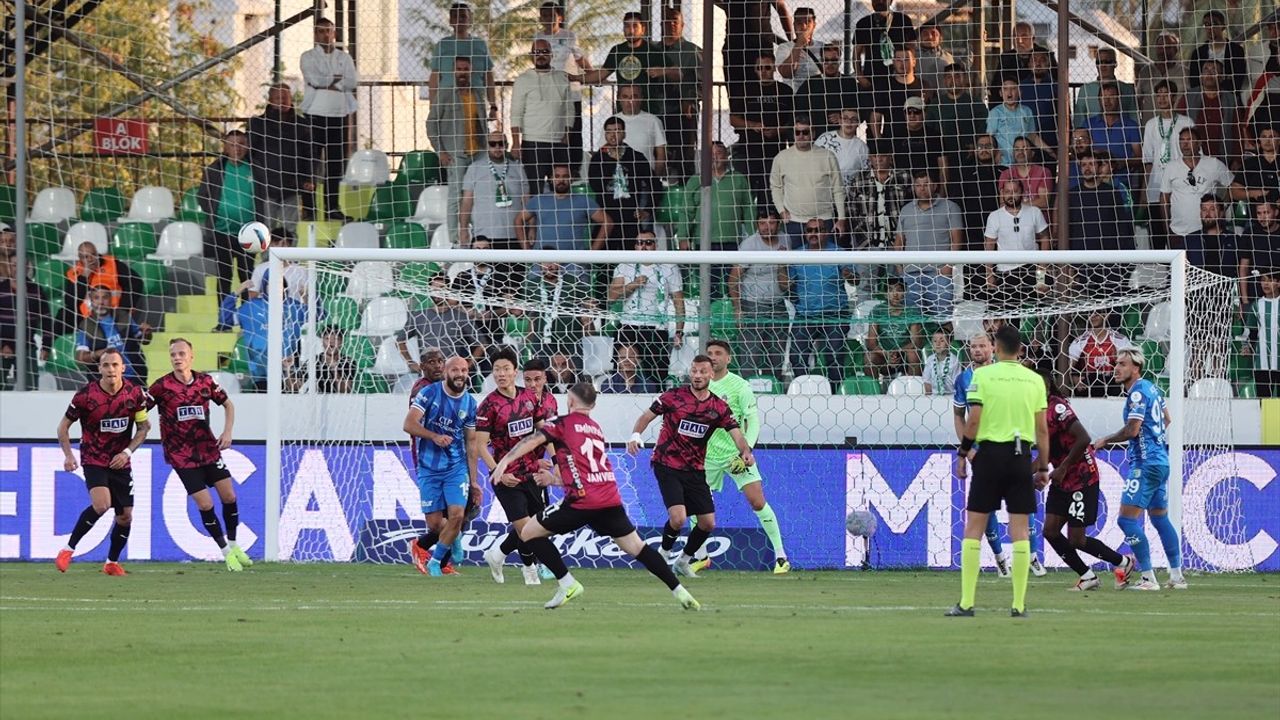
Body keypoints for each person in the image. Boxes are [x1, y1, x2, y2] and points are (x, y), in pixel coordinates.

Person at [492, 382, 701, 610]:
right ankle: (680, 591)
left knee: (529, 532)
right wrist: (553, 480)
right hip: (609, 498)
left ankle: (567, 584)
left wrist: (504, 462)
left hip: (582, 499)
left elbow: (531, 440)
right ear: (592, 405)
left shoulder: (562, 423)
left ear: (570, 401)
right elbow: (582, 468)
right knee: (637, 547)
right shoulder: (595, 428)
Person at [947, 325, 1049, 617]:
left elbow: (974, 420)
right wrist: (1042, 466)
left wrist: (964, 454)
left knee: (973, 529)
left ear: (995, 348)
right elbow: (1042, 429)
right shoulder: (1034, 380)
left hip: (989, 456)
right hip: (1020, 457)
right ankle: (1018, 605)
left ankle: (966, 603)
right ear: (1020, 350)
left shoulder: (981, 376)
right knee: (1020, 532)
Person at [627, 355, 754, 577]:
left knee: (707, 523)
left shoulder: (718, 407)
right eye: (694, 371)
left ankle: (683, 561)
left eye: (702, 371)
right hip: (667, 463)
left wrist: (745, 451)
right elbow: (646, 416)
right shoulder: (673, 396)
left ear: (711, 375)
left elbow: (736, 433)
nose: (697, 375)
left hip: (695, 469)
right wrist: (636, 435)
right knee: (678, 518)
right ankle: (662, 556)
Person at [147, 338, 251, 571]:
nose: (177, 358)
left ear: (191, 356)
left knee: (230, 497)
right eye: (173, 354)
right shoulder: (161, 387)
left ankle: (234, 545)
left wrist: (227, 432)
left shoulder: (205, 382)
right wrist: (142, 427)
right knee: (205, 505)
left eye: (181, 353)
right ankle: (225, 552)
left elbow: (228, 405)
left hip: (208, 450)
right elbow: (140, 409)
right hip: (181, 456)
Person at [1092, 348, 1185, 591]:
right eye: (1117, 363)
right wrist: (1154, 438)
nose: (1117, 368)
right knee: (1160, 518)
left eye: (1123, 364)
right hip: (1160, 461)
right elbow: (1167, 418)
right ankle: (1176, 576)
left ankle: (1148, 578)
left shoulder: (1136, 394)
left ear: (1136, 368)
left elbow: (1132, 430)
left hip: (1145, 464)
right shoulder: (1152, 388)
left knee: (1126, 520)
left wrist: (1105, 440)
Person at [54, 348, 152, 575]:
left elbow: (144, 427)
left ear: (123, 368)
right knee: (101, 504)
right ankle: (68, 550)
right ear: (99, 369)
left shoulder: (135, 394)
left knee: (125, 516)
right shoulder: (85, 396)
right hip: (94, 458)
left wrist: (127, 452)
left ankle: (111, 563)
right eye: (106, 365)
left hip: (121, 461)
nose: (110, 369)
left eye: (115, 365)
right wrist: (68, 455)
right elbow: (63, 427)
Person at [1034, 366, 1133, 591]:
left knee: (1076, 539)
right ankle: (1088, 576)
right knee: (1050, 530)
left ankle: (1123, 562)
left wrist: (1062, 468)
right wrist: (1032, 472)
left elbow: (1083, 439)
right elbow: (1047, 450)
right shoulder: (1035, 411)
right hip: (1062, 478)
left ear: (1047, 385)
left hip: (1081, 477)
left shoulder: (1057, 407)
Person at [695, 339, 788, 573]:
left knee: (757, 501)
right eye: (710, 353)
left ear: (728, 358)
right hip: (706, 456)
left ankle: (780, 557)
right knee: (697, 504)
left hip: (736, 454)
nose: (713, 357)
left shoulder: (740, 386)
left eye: (718, 353)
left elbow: (753, 420)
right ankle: (701, 556)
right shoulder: (697, 387)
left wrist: (747, 450)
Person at [477, 348, 556, 585]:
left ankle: (498, 553)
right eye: (496, 370)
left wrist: (557, 462)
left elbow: (546, 433)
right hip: (507, 478)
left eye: (505, 369)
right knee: (526, 530)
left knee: (538, 526)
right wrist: (497, 474)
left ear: (515, 372)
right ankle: (538, 572)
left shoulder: (529, 398)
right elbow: (480, 446)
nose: (501, 374)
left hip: (532, 473)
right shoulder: (488, 406)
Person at [402, 356, 480, 577]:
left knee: (457, 514)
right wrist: (434, 436)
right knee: (436, 524)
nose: (460, 374)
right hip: (428, 466)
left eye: (464, 370)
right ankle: (452, 538)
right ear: (446, 372)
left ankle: (436, 562)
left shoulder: (470, 403)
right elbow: (408, 424)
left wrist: (474, 481)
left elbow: (471, 442)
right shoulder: (428, 393)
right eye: (455, 369)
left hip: (455, 467)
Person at [951, 332, 1016, 577]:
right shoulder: (964, 379)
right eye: (973, 346)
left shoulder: (1006, 374)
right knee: (984, 506)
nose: (977, 349)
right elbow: (959, 416)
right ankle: (1001, 560)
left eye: (982, 345)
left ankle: (1029, 558)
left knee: (1018, 504)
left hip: (1008, 446)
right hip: (980, 452)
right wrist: (966, 450)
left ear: (993, 347)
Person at [405, 347, 461, 575]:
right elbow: (415, 424)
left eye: (440, 361)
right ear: (422, 367)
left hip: (451, 458)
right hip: (428, 458)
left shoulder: (445, 388)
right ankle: (422, 546)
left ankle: (441, 560)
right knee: (439, 521)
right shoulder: (423, 389)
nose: (438, 365)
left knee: (458, 512)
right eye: (432, 362)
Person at [198, 130, 259, 331]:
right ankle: (224, 321)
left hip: (248, 233)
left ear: (247, 146)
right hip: (221, 232)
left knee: (246, 275)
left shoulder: (255, 168)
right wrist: (217, 213)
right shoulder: (214, 169)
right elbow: (203, 195)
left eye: (241, 144)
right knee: (223, 277)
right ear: (224, 147)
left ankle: (247, 320)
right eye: (232, 144)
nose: (237, 148)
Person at [607, 231, 684, 384]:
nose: (643, 247)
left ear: (656, 245)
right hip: (629, 326)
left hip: (657, 327)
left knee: (656, 376)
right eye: (639, 243)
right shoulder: (625, 265)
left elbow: (679, 302)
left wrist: (679, 331)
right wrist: (633, 284)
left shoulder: (669, 266)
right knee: (622, 374)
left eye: (648, 243)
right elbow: (611, 297)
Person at [427, 56, 490, 244]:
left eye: (466, 69)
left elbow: (482, 122)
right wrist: (441, 151)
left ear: (471, 71)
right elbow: (431, 124)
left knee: (479, 194)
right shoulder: (445, 93)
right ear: (453, 72)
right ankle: (456, 240)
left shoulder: (478, 93)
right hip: (456, 153)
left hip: (478, 151)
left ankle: (478, 237)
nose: (463, 72)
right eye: (459, 69)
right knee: (456, 196)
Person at [460, 131, 530, 296]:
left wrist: (531, 228)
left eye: (501, 143)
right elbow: (466, 201)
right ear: (487, 146)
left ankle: (512, 321)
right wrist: (463, 229)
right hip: (485, 238)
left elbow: (527, 201)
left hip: (514, 236)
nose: (497, 147)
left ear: (506, 145)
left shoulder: (518, 168)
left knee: (514, 288)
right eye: (493, 144)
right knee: (489, 289)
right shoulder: (474, 168)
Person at [299, 18, 356, 219]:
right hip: (315, 113)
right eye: (322, 31)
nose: (326, 35)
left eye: (329, 31)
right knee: (310, 164)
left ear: (334, 34)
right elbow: (314, 79)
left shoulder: (345, 57)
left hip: (339, 115)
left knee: (335, 164)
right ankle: (310, 209)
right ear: (316, 34)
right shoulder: (307, 56)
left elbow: (352, 82)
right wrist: (334, 79)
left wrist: (330, 83)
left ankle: (332, 208)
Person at [788, 221, 855, 387]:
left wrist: (848, 274)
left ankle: (833, 394)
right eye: (809, 230)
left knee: (834, 355)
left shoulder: (839, 252)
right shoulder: (797, 255)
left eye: (818, 230)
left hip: (835, 313)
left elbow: (856, 281)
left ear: (826, 232)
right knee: (796, 355)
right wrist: (781, 265)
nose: (813, 234)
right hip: (805, 315)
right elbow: (785, 285)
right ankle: (804, 391)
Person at [517, 165, 612, 276]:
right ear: (551, 179)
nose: (561, 180)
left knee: (578, 292)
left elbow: (608, 222)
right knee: (533, 291)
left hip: (574, 264)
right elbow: (518, 220)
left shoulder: (584, 201)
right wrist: (527, 251)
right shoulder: (538, 200)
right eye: (557, 176)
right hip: (542, 263)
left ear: (571, 179)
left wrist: (592, 252)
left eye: (565, 176)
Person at [729, 209, 790, 378]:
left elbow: (785, 281)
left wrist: (782, 263)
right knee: (751, 353)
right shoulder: (749, 245)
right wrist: (738, 309)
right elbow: (733, 278)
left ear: (778, 224)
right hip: (753, 305)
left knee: (777, 354)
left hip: (778, 304)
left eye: (771, 222)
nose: (766, 227)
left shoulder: (786, 240)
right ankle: (747, 393)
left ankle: (774, 390)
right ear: (757, 224)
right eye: (762, 223)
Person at [895, 170, 962, 319]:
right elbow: (899, 241)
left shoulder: (950, 207)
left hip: (938, 274)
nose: (922, 188)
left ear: (935, 186)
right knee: (913, 321)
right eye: (918, 185)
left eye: (926, 184)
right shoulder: (906, 210)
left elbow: (956, 240)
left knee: (942, 319)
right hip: (910, 275)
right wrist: (900, 269)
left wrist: (948, 267)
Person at [729, 53, 793, 207]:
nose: (763, 71)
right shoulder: (745, 90)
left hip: (775, 152)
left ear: (774, 69)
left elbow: (793, 122)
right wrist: (753, 125)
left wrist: (778, 130)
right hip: (748, 151)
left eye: (767, 67)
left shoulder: (785, 91)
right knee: (743, 197)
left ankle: (769, 227)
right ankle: (746, 230)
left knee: (771, 196)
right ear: (755, 70)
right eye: (760, 68)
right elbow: (733, 120)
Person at [510, 38, 575, 191]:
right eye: (536, 52)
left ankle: (559, 216)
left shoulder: (562, 78)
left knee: (561, 189)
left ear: (552, 55)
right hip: (533, 143)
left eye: (545, 52)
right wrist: (515, 142)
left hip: (559, 143)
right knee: (534, 189)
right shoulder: (522, 80)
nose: (541, 55)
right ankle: (535, 216)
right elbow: (516, 113)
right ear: (531, 55)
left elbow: (569, 109)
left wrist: (567, 134)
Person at [247, 82, 314, 229]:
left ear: (291, 99)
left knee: (290, 229)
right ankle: (266, 254)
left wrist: (309, 178)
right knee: (265, 229)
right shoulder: (257, 123)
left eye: (285, 97)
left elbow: (309, 155)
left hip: (292, 186)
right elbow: (249, 153)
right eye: (278, 98)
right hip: (265, 186)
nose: (282, 101)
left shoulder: (301, 124)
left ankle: (290, 253)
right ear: (270, 100)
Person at [584, 12, 677, 116]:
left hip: (649, 111)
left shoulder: (653, 51)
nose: (631, 30)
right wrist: (575, 78)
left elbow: (678, 74)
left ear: (643, 29)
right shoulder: (617, 50)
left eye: (635, 26)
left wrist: (663, 71)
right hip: (623, 112)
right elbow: (600, 75)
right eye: (627, 26)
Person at [770, 118, 845, 246]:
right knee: (795, 264)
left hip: (824, 219)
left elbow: (838, 189)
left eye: (805, 132)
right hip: (794, 222)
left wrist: (842, 218)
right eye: (797, 132)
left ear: (813, 133)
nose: (801, 136)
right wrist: (781, 210)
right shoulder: (781, 158)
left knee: (825, 263)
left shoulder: (828, 156)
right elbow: (775, 187)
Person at [587, 116, 656, 251]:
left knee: (633, 260)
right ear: (605, 134)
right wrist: (611, 162)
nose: (613, 134)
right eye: (609, 131)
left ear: (624, 133)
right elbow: (595, 186)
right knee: (604, 264)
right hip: (606, 218)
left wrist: (647, 210)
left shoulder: (636, 157)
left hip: (631, 217)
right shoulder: (597, 159)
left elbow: (654, 185)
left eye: (618, 130)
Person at [534, 2, 590, 166]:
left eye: (551, 15)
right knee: (551, 132)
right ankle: (553, 172)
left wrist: (595, 76)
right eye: (544, 15)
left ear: (560, 17)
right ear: (540, 18)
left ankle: (574, 170)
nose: (548, 18)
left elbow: (580, 58)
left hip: (570, 92)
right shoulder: (538, 37)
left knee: (573, 132)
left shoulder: (569, 36)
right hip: (548, 95)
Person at [983, 178, 1051, 311]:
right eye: (1007, 191)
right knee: (1009, 315)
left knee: (1036, 313)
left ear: (1022, 192)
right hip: (1006, 272)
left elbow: (1045, 239)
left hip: (1031, 269)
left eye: (1015, 191)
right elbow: (989, 245)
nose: (1011, 195)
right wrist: (989, 275)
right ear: (1002, 193)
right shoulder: (994, 216)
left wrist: (1041, 277)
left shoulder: (1034, 212)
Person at [1142, 81, 1196, 247]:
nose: (1162, 98)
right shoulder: (1151, 124)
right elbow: (1148, 160)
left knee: (1179, 234)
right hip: (1157, 185)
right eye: (1158, 95)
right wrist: (1145, 192)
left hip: (1179, 184)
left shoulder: (1186, 122)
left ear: (1174, 97)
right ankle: (1161, 271)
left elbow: (1194, 156)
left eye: (1166, 94)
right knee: (1158, 235)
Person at [1160, 127, 1234, 245]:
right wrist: (1167, 230)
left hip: (1208, 231)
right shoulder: (1171, 167)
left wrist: (1222, 207)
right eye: (1182, 140)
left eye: (1189, 140)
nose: (1185, 144)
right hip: (1179, 232)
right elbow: (1164, 198)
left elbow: (1233, 186)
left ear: (1199, 143)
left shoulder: (1213, 164)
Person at [712, 0, 792, 108]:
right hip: (734, 49)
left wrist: (792, 41)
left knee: (762, 93)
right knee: (736, 97)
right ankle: (743, 123)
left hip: (760, 48)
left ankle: (764, 123)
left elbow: (780, 7)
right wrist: (730, 9)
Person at [426, 2, 496, 113]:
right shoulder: (442, 45)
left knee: (476, 130)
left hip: (475, 100)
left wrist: (493, 105)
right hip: (448, 102)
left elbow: (488, 76)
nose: (460, 20)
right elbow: (434, 78)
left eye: (463, 16)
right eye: (456, 17)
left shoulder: (479, 44)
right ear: (451, 21)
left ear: (470, 20)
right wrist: (433, 106)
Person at [657, 7, 702, 181]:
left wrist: (690, 99)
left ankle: (686, 199)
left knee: (684, 159)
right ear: (661, 24)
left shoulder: (692, 51)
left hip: (683, 112)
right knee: (657, 156)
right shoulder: (652, 50)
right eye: (668, 21)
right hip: (656, 111)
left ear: (682, 25)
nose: (671, 24)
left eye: (675, 21)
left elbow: (704, 83)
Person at [75, 285, 150, 383]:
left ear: (111, 299)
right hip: (105, 382)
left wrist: (147, 333)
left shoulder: (124, 317)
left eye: (105, 297)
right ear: (91, 301)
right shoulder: (86, 326)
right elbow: (80, 358)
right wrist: (101, 353)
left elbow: (144, 341)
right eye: (96, 298)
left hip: (135, 377)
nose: (101, 302)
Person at [848, 141, 912, 253]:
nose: (879, 159)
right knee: (865, 271)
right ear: (869, 158)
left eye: (883, 156)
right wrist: (860, 233)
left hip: (898, 241)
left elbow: (912, 207)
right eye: (875, 156)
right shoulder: (859, 180)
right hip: (865, 242)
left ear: (890, 156)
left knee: (898, 270)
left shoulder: (904, 177)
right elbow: (851, 209)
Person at [929, 64, 989, 169]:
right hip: (942, 161)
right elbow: (928, 131)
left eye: (957, 76)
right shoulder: (935, 105)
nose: (953, 80)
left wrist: (976, 145)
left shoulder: (976, 104)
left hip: (971, 161)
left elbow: (984, 131)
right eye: (949, 77)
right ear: (944, 80)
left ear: (965, 78)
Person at [986, 78, 1053, 167]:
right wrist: (995, 153)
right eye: (1005, 89)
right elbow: (989, 138)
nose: (1009, 92)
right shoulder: (995, 112)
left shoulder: (1027, 111)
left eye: (1013, 88)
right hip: (1003, 163)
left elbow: (1032, 136)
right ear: (1001, 93)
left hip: (1024, 163)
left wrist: (1050, 151)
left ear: (1019, 92)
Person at [1184, 60, 1243, 161]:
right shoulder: (1188, 97)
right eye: (1206, 70)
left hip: (1223, 158)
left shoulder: (1231, 99)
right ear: (1201, 75)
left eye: (1214, 70)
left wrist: (1237, 160)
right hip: (1193, 158)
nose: (1209, 74)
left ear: (1221, 77)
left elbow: (1237, 131)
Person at [865, 278, 924, 379]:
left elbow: (916, 342)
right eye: (891, 290)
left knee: (914, 355)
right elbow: (871, 343)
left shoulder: (912, 311)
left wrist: (898, 351)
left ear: (904, 293)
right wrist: (886, 354)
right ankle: (873, 392)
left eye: (899, 290)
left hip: (904, 356)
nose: (895, 294)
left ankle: (915, 391)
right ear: (885, 294)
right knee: (869, 358)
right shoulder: (877, 311)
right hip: (884, 357)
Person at [1085, 83, 1142, 186]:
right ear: (1099, 100)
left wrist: (1122, 163)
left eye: (1111, 97)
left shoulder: (1131, 125)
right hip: (1094, 183)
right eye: (1103, 97)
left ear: (1119, 99)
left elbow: (1139, 157)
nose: (1107, 101)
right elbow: (1080, 150)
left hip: (1122, 182)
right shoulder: (1089, 124)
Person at [851, 0, 916, 89]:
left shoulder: (903, 20)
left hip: (900, 76)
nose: (880, 1)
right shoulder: (864, 23)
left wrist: (910, 72)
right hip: (873, 77)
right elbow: (856, 52)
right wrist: (859, 75)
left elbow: (912, 48)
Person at [1068, 311, 1135, 397]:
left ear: (1106, 315)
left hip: (1114, 384)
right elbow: (1067, 368)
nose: (1093, 316)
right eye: (1090, 313)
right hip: (1089, 385)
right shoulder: (1080, 342)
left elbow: (1131, 365)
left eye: (1098, 313)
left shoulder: (1120, 340)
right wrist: (1075, 379)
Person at [797, 42, 856, 137]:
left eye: (834, 60)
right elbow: (798, 110)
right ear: (821, 61)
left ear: (840, 61)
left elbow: (859, 110)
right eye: (826, 60)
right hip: (816, 137)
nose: (830, 64)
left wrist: (843, 117)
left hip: (843, 136)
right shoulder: (810, 83)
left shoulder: (849, 83)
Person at [612, 85, 668, 180]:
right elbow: (603, 151)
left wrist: (655, 179)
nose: (630, 101)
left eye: (634, 96)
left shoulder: (653, 121)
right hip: (618, 180)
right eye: (625, 97)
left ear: (641, 98)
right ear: (619, 99)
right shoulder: (612, 121)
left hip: (646, 178)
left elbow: (661, 154)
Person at [1188, 10, 1248, 99]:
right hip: (1203, 99)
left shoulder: (1236, 50)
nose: (1210, 28)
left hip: (1229, 97)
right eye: (1206, 24)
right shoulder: (1198, 53)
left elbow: (1237, 80)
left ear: (1223, 26)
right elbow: (1194, 81)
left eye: (1214, 24)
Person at [1072, 48, 1137, 126]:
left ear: (1115, 64)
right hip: (1093, 135)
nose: (1103, 66)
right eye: (1099, 62)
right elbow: (1079, 122)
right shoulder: (1085, 90)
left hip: (1122, 134)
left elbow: (1134, 118)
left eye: (1107, 62)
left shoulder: (1127, 90)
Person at [868, 47, 923, 140]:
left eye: (906, 59)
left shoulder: (924, 86)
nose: (902, 64)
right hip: (892, 141)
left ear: (914, 61)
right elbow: (875, 118)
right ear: (893, 62)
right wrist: (880, 142)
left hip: (920, 141)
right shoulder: (884, 86)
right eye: (898, 60)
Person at [1137, 32, 1187, 123]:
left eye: (1168, 47)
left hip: (1177, 126)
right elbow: (1139, 99)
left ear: (1176, 50)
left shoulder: (1185, 73)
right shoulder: (1146, 71)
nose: (1163, 50)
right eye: (1160, 47)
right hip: (1149, 126)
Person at [1244, 270, 1280, 397]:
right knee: (1264, 400)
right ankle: (1267, 417)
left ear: (1278, 283)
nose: (1266, 284)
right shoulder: (1257, 305)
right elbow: (1251, 331)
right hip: (1262, 363)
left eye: (1270, 280)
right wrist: (1246, 346)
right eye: (1263, 280)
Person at [815, 108, 869, 185]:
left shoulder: (862, 147)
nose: (849, 122)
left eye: (853, 119)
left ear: (858, 123)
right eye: (845, 118)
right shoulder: (824, 138)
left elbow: (865, 173)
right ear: (839, 120)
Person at [774, 6, 819, 93]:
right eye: (799, 23)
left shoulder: (822, 47)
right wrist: (798, 45)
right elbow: (786, 73)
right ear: (794, 25)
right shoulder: (784, 48)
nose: (803, 27)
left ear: (814, 25)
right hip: (793, 96)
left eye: (808, 22)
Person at [914, 24, 954, 92]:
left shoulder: (949, 57)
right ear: (919, 38)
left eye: (934, 33)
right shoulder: (912, 56)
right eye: (925, 34)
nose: (929, 37)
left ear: (941, 38)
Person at [921, 329, 961, 395]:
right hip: (933, 397)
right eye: (935, 341)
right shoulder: (930, 360)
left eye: (942, 341)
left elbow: (957, 383)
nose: (938, 344)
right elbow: (927, 382)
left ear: (949, 343)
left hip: (950, 397)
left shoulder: (954, 361)